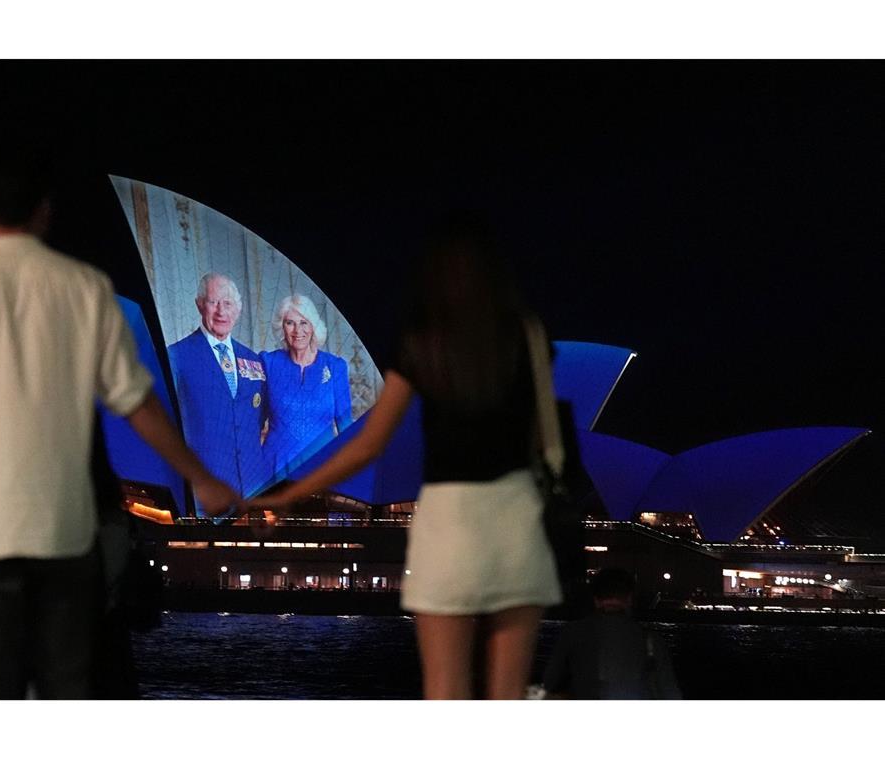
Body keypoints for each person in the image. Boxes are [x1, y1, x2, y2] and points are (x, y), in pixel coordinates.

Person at [0, 153, 237, 699]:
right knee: (66, 693)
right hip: (62, 533)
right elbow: (135, 401)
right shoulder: (84, 287)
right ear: (46, 211)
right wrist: (203, 477)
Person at [250, 218, 561, 698]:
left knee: (444, 690)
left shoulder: (422, 339)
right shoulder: (526, 333)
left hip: (448, 515)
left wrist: (293, 494)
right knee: (508, 696)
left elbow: (369, 443)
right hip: (515, 512)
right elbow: (545, 439)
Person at [167, 273, 271, 500]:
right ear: (199, 305)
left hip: (252, 491)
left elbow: (258, 418)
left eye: (228, 303)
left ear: (238, 309)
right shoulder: (176, 357)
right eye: (214, 302)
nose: (221, 312)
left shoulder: (253, 360)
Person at [543, 567, 681, 699]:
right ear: (629, 599)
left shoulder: (572, 633)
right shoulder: (650, 640)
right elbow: (670, 692)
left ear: (596, 600)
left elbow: (550, 682)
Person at [259, 294, 353, 480]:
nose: (297, 331)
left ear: (313, 326)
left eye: (304, 323)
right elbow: (255, 422)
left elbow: (346, 426)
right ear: (282, 327)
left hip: (323, 468)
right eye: (290, 323)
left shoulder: (335, 366)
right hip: (275, 469)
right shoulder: (268, 363)